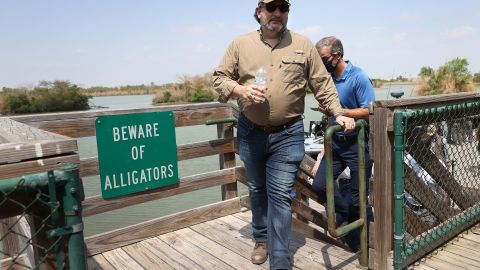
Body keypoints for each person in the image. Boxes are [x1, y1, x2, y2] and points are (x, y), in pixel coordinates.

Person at [212, 2, 355, 269]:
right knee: (256, 188)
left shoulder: (303, 44)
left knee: (279, 194)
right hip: (250, 131)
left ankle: (279, 260)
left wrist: (339, 113)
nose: (277, 13)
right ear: (259, 11)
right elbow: (219, 79)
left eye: (283, 8)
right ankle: (261, 239)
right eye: (271, 7)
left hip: (288, 134)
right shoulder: (240, 44)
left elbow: (322, 84)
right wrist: (240, 91)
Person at [311, 36, 375, 252]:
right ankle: (345, 213)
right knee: (319, 186)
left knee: (359, 199)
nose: (321, 63)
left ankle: (362, 247)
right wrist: (321, 154)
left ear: (337, 56)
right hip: (334, 146)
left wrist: (342, 113)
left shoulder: (359, 77)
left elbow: (370, 111)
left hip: (356, 146)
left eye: (324, 59)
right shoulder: (326, 79)